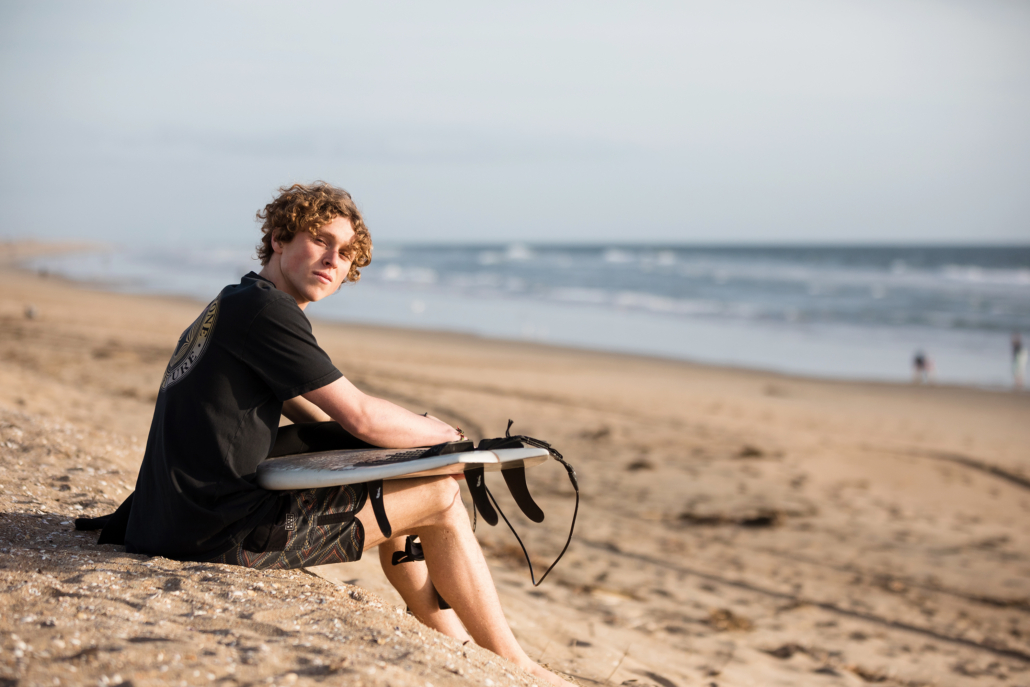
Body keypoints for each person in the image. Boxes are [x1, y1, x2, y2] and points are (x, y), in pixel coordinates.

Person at [122, 182, 572, 686]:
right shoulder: (268, 311)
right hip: (215, 536)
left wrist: (408, 450)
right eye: (320, 240)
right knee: (441, 497)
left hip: (165, 519)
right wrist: (447, 436)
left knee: (412, 487)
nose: (333, 260)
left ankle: (457, 643)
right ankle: (514, 663)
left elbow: (317, 417)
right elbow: (359, 416)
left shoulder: (236, 301)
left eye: (346, 253)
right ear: (279, 238)